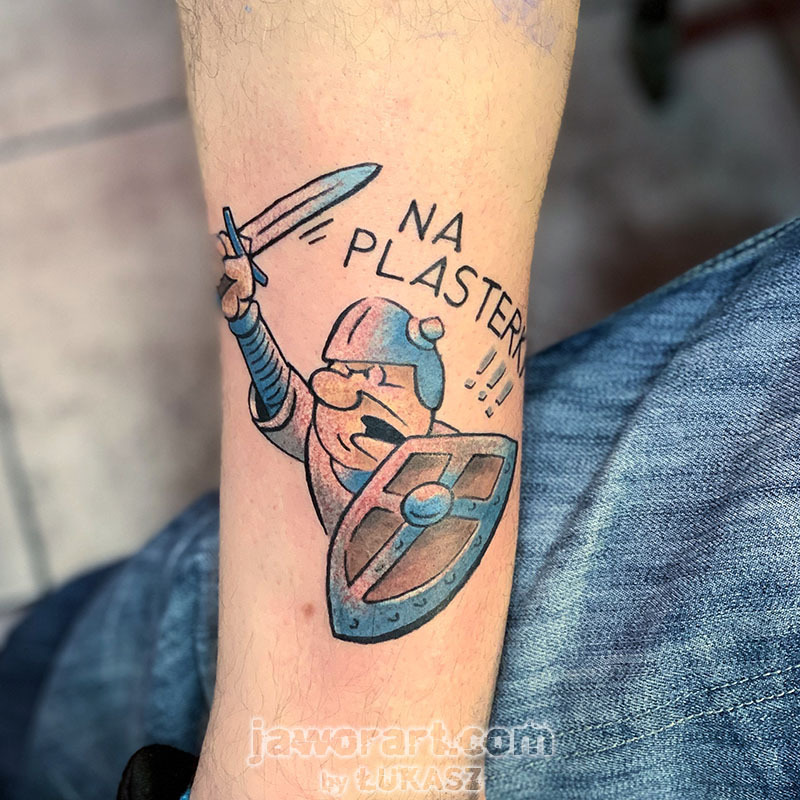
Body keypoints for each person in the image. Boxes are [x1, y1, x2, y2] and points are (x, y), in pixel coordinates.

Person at [1, 2, 799, 799]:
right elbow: (278, 386)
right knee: (61, 706)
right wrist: (328, 755)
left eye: (370, 385)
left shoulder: (436, 465)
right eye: (339, 378)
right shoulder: (326, 423)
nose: (344, 401)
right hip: (256, 689)